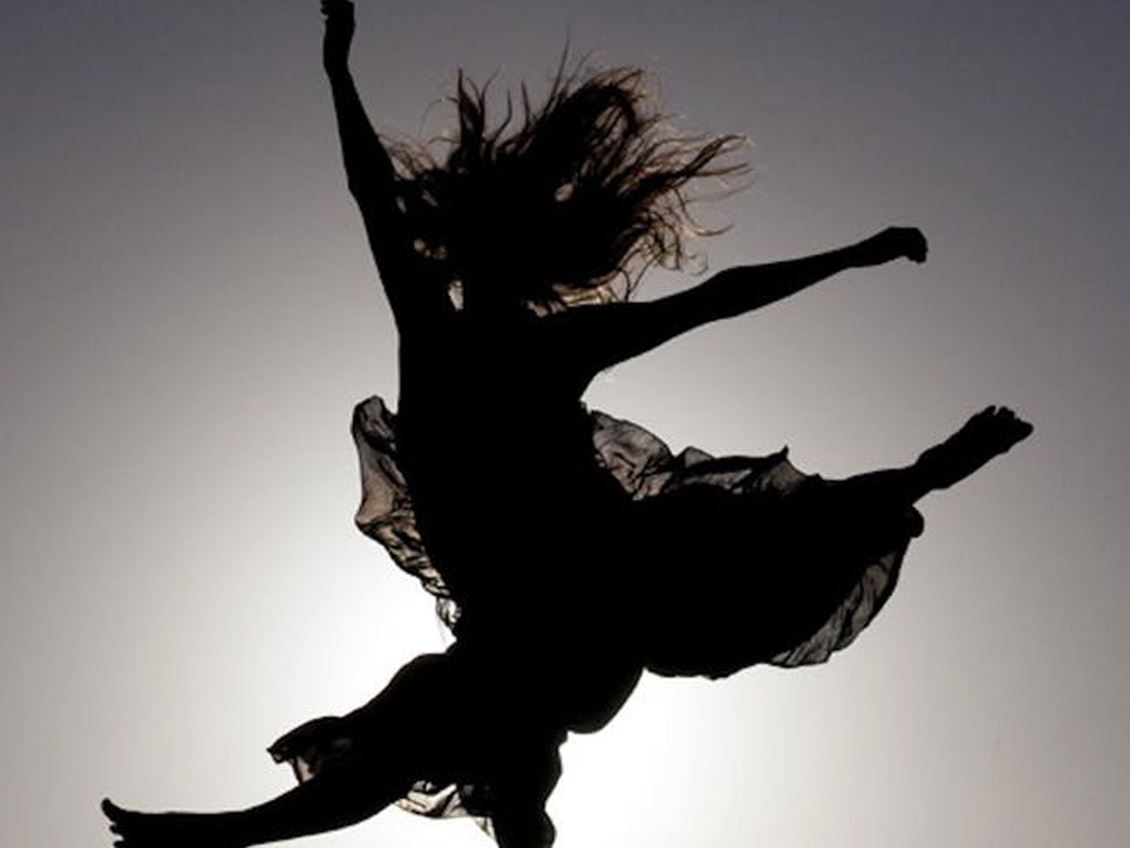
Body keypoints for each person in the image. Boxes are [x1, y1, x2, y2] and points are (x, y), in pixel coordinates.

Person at [102, 2, 1033, 846]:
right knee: (432, 726)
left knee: (764, 540)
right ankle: (492, 801)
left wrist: (854, 255)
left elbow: (718, 298)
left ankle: (934, 469)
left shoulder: (543, 343)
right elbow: (371, 193)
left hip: (594, 587)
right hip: (536, 609)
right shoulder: (431, 322)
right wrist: (336, 68)